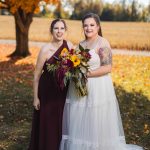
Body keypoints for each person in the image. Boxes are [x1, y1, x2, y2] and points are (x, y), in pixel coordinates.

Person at [60, 13, 143, 150]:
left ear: (98, 26)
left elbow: (107, 67)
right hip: (80, 86)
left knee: (96, 119)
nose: (88, 28)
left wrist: (86, 73)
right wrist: (73, 72)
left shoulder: (102, 43)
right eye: (85, 25)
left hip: (98, 86)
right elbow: (74, 64)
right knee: (81, 117)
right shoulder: (80, 44)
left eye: (92, 25)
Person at [28, 19, 73, 150]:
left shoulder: (69, 46)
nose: (59, 32)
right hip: (47, 91)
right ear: (51, 31)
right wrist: (36, 97)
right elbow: (36, 75)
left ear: (65, 31)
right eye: (56, 28)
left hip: (63, 90)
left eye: (62, 28)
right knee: (48, 122)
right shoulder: (45, 50)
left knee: (61, 122)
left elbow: (74, 66)